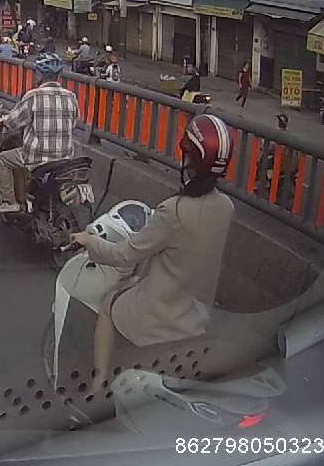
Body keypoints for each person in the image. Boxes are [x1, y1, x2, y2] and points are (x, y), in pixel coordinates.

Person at [70, 114, 234, 389]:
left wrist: (89, 241)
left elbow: (124, 255)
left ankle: (99, 382)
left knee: (109, 304)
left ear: (188, 157)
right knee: (135, 282)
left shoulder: (174, 211)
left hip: (162, 317)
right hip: (196, 315)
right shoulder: (226, 207)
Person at [0, 53, 79, 214]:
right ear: (59, 75)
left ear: (39, 75)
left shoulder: (33, 96)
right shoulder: (71, 97)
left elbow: (13, 122)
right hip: (65, 158)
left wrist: (2, 121)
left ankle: (9, 202)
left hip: (36, 157)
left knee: (3, 159)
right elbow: (73, 124)